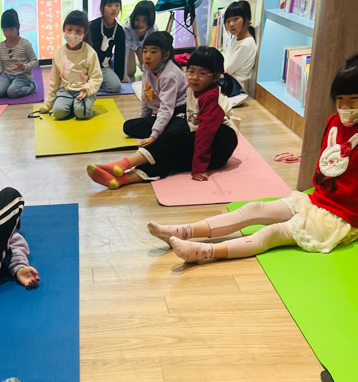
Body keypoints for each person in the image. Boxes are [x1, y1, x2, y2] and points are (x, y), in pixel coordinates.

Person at [147, 54, 358, 263]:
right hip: (316, 200)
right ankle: (182, 231)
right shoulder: (333, 122)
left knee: (273, 233)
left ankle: (205, 251)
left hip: (343, 217)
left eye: (353, 100)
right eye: (340, 99)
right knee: (253, 209)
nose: (345, 107)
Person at [88, 47, 238, 189]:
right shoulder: (193, 89)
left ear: (216, 76)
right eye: (191, 71)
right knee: (169, 157)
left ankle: (123, 164)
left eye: (202, 73)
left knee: (170, 142)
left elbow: (206, 134)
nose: (194, 77)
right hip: (205, 140)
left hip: (220, 142)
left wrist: (199, 167)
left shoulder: (210, 97)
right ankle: (122, 179)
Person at [120, 30, 187, 145]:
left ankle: (163, 131)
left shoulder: (170, 75)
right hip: (160, 114)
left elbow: (166, 109)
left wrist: (153, 137)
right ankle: (162, 129)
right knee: (128, 126)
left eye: (153, 52)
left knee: (174, 133)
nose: (147, 56)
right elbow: (145, 96)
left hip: (178, 112)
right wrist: (143, 120)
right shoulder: (147, 68)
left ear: (166, 55)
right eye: (145, 51)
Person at [39, 10, 102, 121]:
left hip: (83, 91)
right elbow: (54, 81)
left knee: (81, 112)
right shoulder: (59, 53)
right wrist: (48, 105)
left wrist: (87, 89)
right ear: (64, 29)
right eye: (69, 29)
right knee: (58, 113)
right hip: (66, 91)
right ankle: (72, 106)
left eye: (78, 31)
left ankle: (80, 108)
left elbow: (96, 77)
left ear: (85, 32)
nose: (73, 34)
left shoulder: (90, 53)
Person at [0, 9, 39, 99]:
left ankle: (32, 86)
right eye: (5, 30)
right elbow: (1, 65)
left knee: (12, 92)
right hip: (7, 76)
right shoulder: (0, 46)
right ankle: (10, 88)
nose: (8, 33)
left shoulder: (25, 44)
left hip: (22, 76)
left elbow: (35, 61)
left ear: (18, 28)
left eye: (11, 29)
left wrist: (25, 66)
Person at [88, 0, 125, 94]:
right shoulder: (93, 26)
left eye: (117, 5)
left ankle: (96, 83)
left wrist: (119, 76)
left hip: (103, 67)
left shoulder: (119, 31)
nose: (113, 9)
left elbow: (120, 54)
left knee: (116, 86)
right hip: (87, 66)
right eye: (109, 5)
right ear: (102, 8)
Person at [222, 0, 257, 100]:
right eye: (228, 21)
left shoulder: (246, 44)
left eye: (236, 19)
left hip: (233, 85)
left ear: (247, 19)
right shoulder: (236, 38)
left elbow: (227, 69)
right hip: (228, 80)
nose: (231, 24)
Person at [123, 0, 156, 80]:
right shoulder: (126, 28)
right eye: (137, 19)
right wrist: (123, 75)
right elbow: (125, 51)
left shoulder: (153, 29)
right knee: (130, 72)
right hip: (130, 49)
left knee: (148, 69)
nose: (140, 24)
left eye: (144, 20)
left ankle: (138, 62)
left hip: (144, 50)